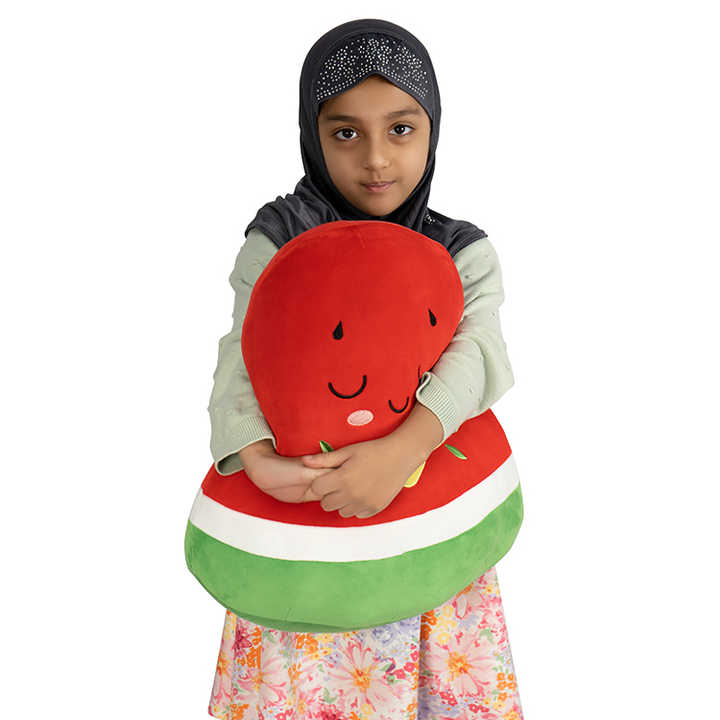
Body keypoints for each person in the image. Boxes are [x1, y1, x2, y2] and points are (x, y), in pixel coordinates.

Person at [206, 18, 524, 720]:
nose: (376, 159)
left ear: (432, 129)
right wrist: (254, 458)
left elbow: (478, 355)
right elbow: (243, 351)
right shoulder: (279, 239)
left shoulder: (460, 251)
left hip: (427, 528)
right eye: (346, 132)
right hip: (302, 532)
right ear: (311, 135)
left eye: (401, 129)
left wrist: (402, 450)